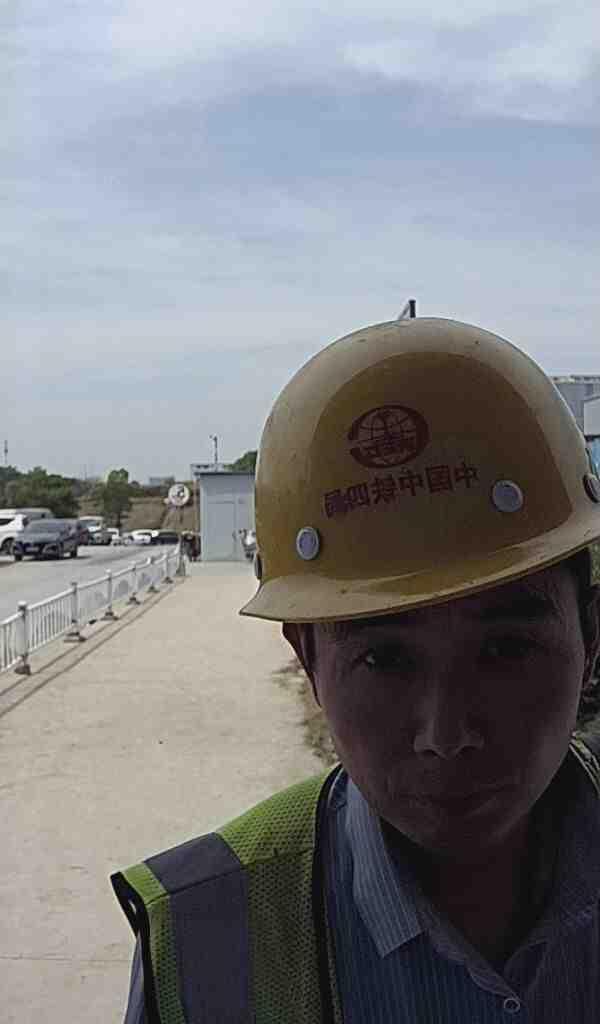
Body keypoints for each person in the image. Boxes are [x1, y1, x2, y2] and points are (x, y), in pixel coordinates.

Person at [112, 317, 600, 1023]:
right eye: (384, 659)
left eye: (505, 650)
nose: (447, 734)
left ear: (591, 634)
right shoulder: (203, 936)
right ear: (308, 660)